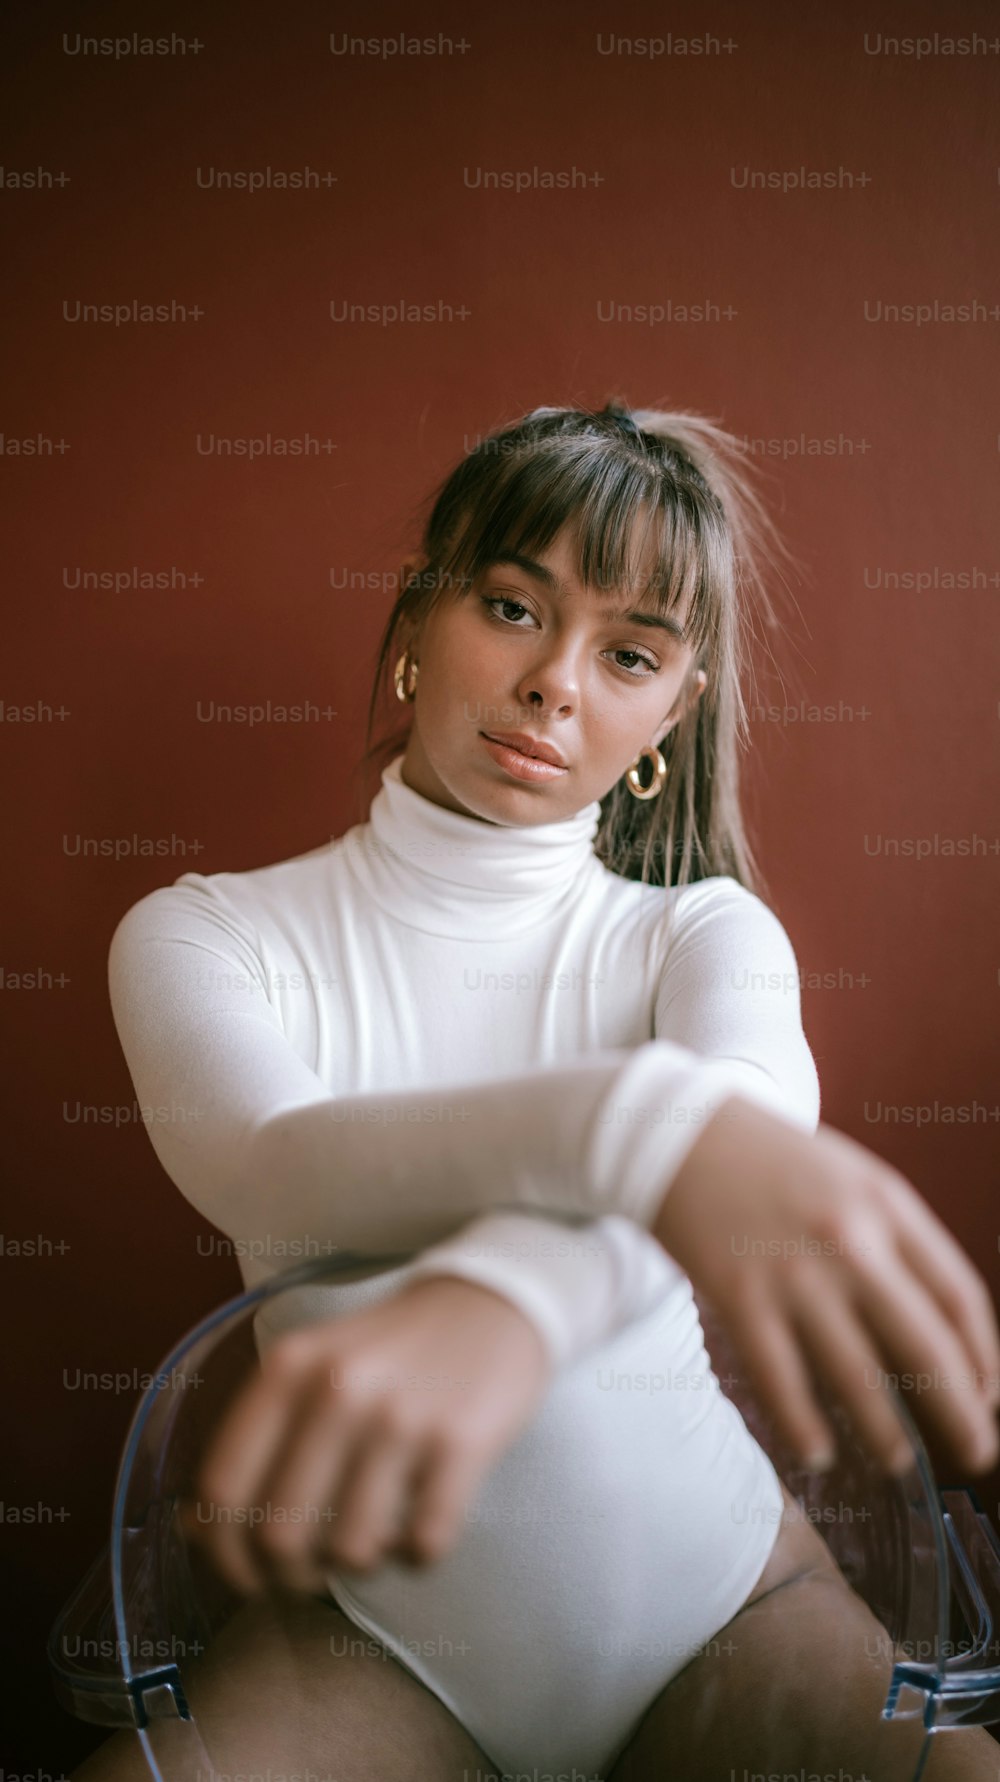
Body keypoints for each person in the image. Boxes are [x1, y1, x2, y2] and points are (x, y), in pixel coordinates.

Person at [73, 403, 1000, 1781]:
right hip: (370, 1636)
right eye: (512, 606)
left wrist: (511, 1292)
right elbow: (270, 1161)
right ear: (414, 621)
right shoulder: (201, 934)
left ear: (669, 714)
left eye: (628, 652)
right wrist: (637, 1132)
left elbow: (745, 1106)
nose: (557, 681)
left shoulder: (703, 931)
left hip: (726, 1605)